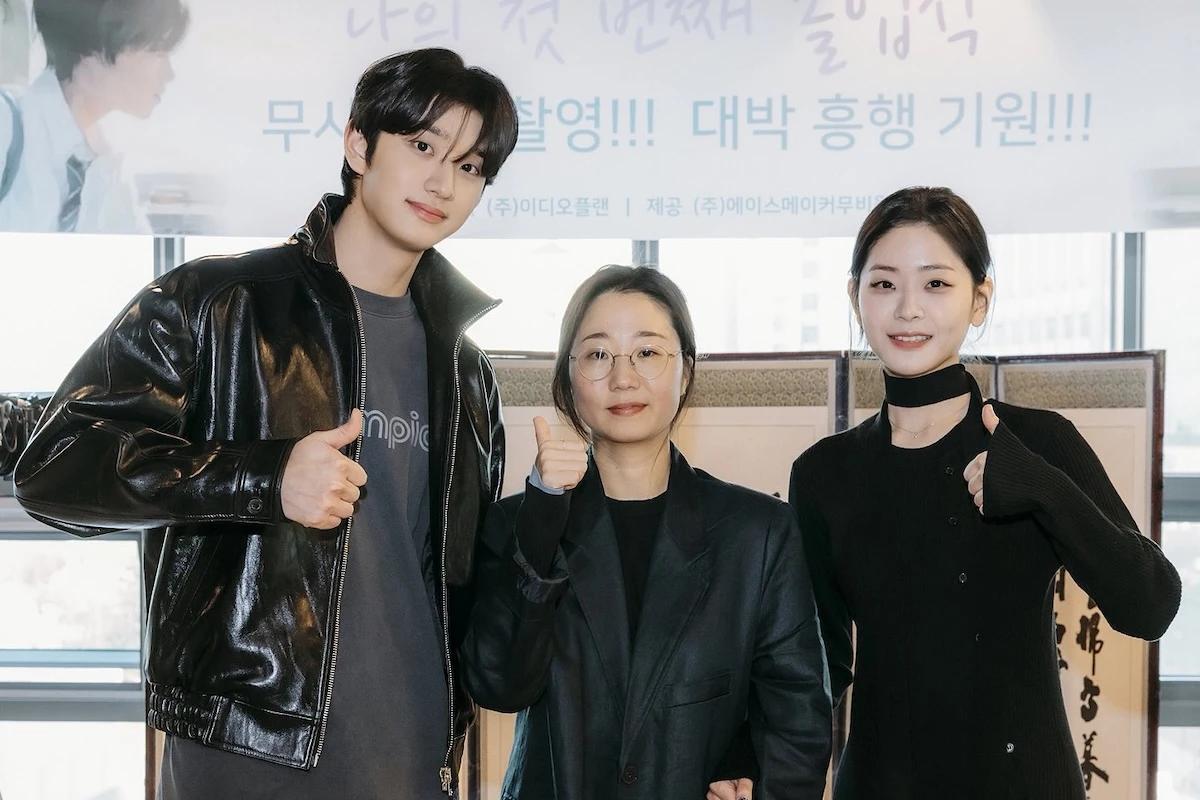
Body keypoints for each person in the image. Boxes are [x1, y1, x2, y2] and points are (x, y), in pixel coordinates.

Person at [15, 47, 519, 799]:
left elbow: (455, 588)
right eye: (422, 147)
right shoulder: (217, 303)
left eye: (472, 166)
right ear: (357, 144)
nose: (444, 182)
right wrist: (262, 478)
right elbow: (57, 463)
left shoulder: (466, 372)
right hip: (248, 752)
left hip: (413, 759)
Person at [789, 186, 1182, 799]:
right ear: (855, 296)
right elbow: (818, 665)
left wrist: (1041, 488)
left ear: (980, 299)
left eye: (937, 284)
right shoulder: (824, 473)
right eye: (884, 284)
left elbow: (1151, 603)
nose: (908, 309)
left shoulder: (1039, 441)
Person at [461, 266, 832, 800]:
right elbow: (498, 684)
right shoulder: (515, 524)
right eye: (597, 354)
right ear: (568, 376)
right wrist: (543, 516)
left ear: (687, 369)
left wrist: (756, 778)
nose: (622, 378)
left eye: (648, 352)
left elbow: (798, 716)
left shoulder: (759, 534)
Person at [0, 0, 189, 232]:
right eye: (159, 53)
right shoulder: (7, 124)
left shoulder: (109, 170)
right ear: (101, 42)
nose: (169, 74)